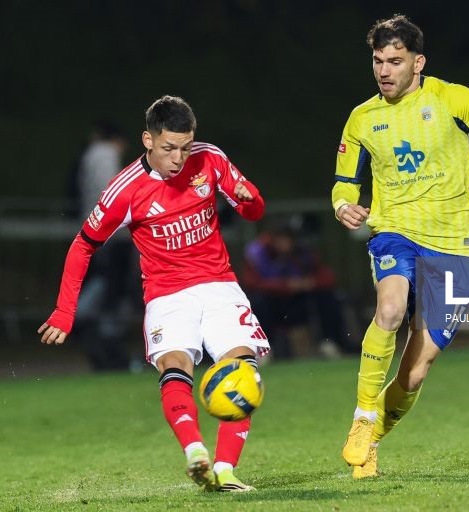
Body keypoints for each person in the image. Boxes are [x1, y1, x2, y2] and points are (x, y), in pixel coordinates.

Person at [38, 95, 269, 492]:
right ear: (147, 139)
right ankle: (195, 451)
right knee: (176, 364)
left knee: (243, 370)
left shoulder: (209, 159)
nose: (178, 158)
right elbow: (83, 244)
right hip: (167, 294)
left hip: (219, 285)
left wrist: (251, 200)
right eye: (168, 148)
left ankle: (227, 472)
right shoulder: (125, 190)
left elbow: (253, 210)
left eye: (185, 146)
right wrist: (64, 312)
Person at [332, 14, 469, 479]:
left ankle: (373, 436)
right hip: (395, 232)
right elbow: (343, 183)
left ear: (418, 62)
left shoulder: (451, 98)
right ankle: (362, 418)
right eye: (378, 61)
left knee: (416, 373)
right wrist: (344, 205)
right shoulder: (362, 118)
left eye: (395, 61)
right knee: (391, 310)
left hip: (452, 242)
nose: (384, 71)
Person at [72, 120, 135, 372]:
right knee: (110, 290)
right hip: (110, 233)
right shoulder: (105, 155)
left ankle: (89, 324)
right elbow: (111, 191)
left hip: (93, 230)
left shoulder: (88, 156)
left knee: (103, 284)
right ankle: (97, 333)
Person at [242, 221, 354, 359]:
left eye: (287, 239)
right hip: (271, 302)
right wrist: (286, 286)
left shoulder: (303, 252)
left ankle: (331, 343)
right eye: (280, 239)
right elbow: (252, 282)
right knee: (257, 301)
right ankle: (263, 349)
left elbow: (328, 278)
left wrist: (310, 283)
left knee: (328, 297)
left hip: (298, 302)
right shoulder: (258, 253)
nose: (284, 243)